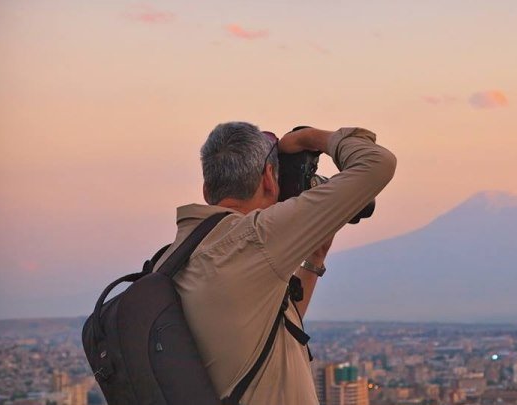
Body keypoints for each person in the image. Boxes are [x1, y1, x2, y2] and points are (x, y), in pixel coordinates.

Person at [153, 122, 396, 404]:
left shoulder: (176, 257)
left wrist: (314, 263)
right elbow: (378, 162)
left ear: (207, 191)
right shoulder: (254, 239)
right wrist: (308, 137)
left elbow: (267, 326)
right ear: (269, 178)